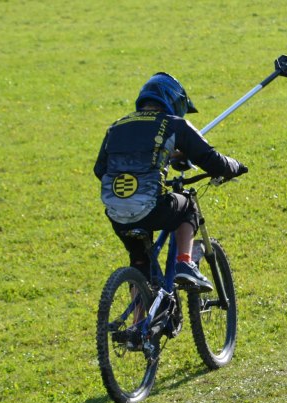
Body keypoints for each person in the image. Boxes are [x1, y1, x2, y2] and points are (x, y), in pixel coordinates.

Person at [94, 72, 247, 292]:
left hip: (116, 211)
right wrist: (234, 166)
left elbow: (101, 169)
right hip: (151, 207)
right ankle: (184, 263)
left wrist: (163, 158)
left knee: (140, 265)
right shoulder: (174, 124)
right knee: (188, 205)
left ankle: (139, 323)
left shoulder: (116, 126)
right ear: (174, 101)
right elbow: (211, 160)